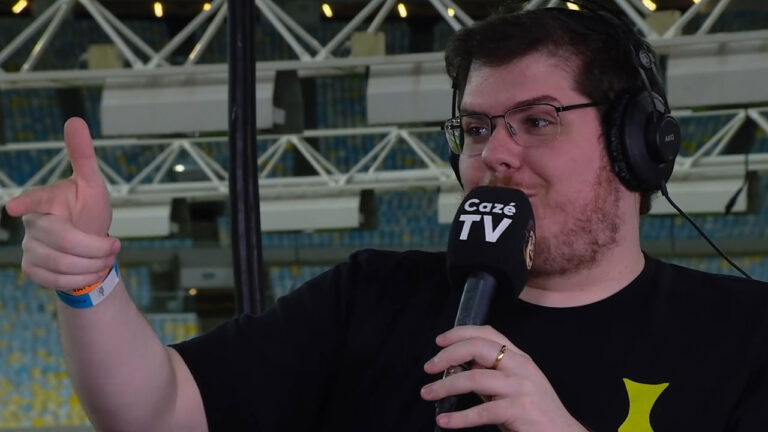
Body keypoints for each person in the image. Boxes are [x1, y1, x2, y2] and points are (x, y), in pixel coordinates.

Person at [7, 4, 768, 432]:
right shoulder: (370, 297)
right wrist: (90, 283)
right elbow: (160, 411)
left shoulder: (749, 336)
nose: (494, 156)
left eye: (537, 121)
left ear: (638, 142)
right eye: (475, 128)